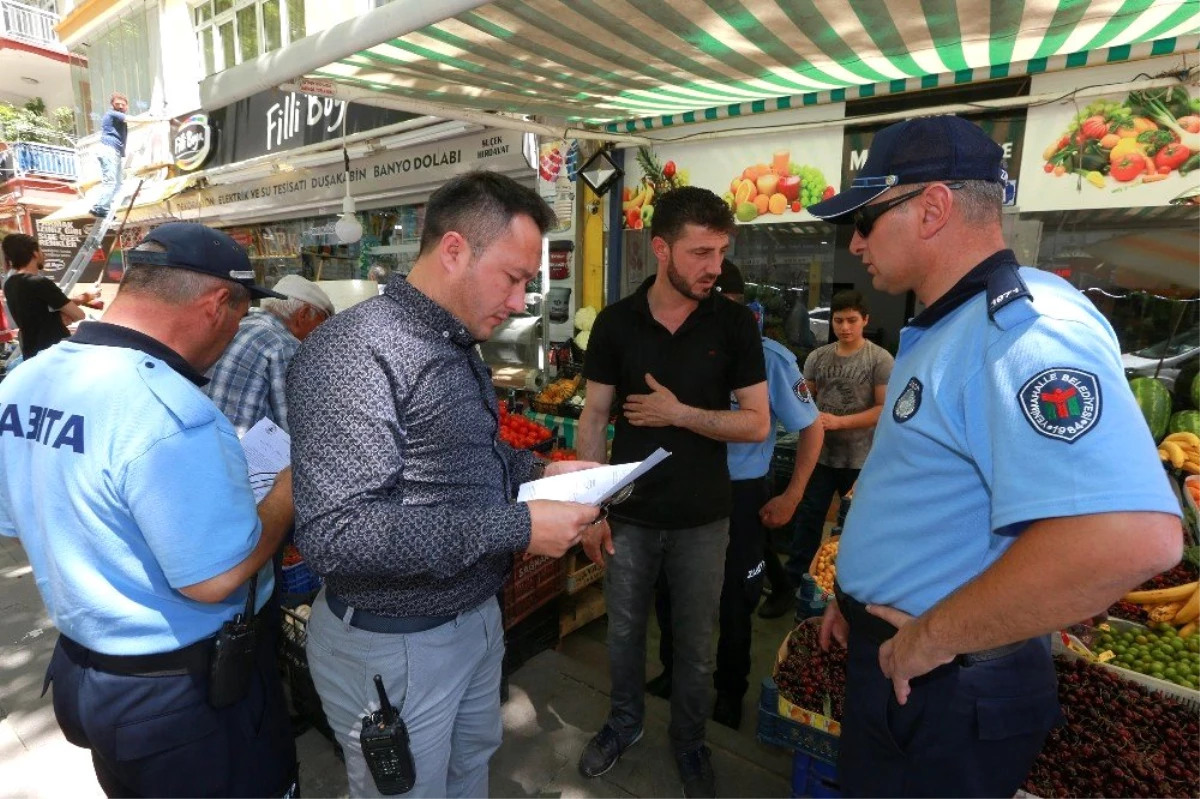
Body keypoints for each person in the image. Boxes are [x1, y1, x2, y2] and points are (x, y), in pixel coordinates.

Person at [804, 115, 1182, 797]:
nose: (854, 241)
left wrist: (932, 636)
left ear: (934, 207)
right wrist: (856, 593)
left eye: (866, 218)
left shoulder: (1025, 332)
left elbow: (1132, 537)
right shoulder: (951, 324)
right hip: (908, 666)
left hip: (946, 686)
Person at [286, 171, 601, 799]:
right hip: (393, 644)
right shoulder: (356, 351)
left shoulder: (456, 342)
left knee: (468, 772)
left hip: (473, 621)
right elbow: (337, 534)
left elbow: (469, 463)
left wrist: (542, 472)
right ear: (454, 249)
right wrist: (520, 525)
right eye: (513, 278)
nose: (518, 301)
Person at [0, 221, 299, 798]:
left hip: (88, 676)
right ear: (217, 304)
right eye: (241, 316)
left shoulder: (23, 382)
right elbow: (213, 581)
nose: (237, 331)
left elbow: (18, 519)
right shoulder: (172, 413)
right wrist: (286, 493)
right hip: (183, 697)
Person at [576, 186, 770, 799]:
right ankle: (625, 722)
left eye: (720, 252)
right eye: (700, 252)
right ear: (661, 249)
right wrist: (590, 510)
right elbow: (592, 420)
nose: (714, 266)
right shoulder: (616, 322)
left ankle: (689, 740)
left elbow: (759, 422)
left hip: (703, 520)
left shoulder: (735, 323)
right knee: (625, 634)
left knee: (694, 646)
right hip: (629, 516)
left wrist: (681, 414)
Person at [648, 259, 824, 731]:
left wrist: (792, 496)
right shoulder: (675, 350)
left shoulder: (769, 359)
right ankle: (673, 670)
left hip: (739, 496)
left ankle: (730, 691)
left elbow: (812, 429)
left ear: (739, 307)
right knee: (670, 590)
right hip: (680, 488)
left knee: (733, 599)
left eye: (718, 307)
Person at [766, 289, 893, 617]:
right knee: (807, 523)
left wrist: (839, 422)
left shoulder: (879, 359)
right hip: (819, 458)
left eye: (852, 320)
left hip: (861, 460)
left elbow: (883, 409)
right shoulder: (817, 358)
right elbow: (803, 398)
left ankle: (851, 595)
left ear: (865, 320)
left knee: (855, 528)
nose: (845, 327)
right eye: (838, 320)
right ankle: (795, 587)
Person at [204, 274, 335, 435]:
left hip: (210, 444)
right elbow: (295, 427)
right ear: (304, 314)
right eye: (322, 324)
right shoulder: (283, 345)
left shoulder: (238, 327)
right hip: (245, 454)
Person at [1, 232, 97, 360]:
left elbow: (37, 311)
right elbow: (79, 315)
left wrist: (61, 314)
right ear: (34, 253)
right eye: (41, 250)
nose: (44, 254)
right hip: (54, 352)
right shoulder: (39, 283)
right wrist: (64, 315)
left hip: (31, 352)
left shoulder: (10, 284)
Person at [89, 92, 155, 218]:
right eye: (117, 104)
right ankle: (100, 207)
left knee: (118, 182)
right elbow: (132, 119)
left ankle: (108, 207)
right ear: (113, 105)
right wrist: (154, 119)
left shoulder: (118, 117)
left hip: (115, 151)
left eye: (122, 105)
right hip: (109, 149)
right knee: (111, 181)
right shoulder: (113, 114)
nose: (120, 107)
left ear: (127, 106)